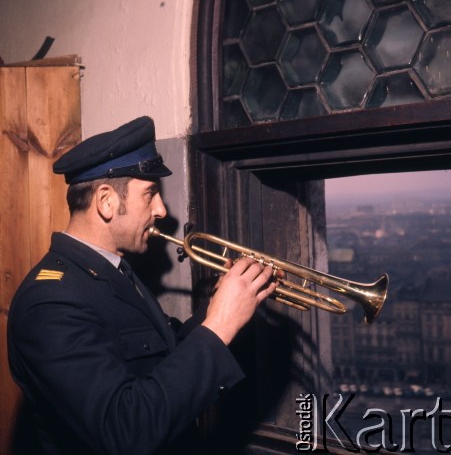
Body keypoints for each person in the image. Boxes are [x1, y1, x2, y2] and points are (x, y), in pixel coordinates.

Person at [7, 116, 277, 455]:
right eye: (150, 194)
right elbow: (126, 430)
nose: (161, 209)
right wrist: (219, 326)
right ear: (106, 201)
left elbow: (157, 358)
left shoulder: (111, 270)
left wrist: (221, 306)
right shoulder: (49, 303)